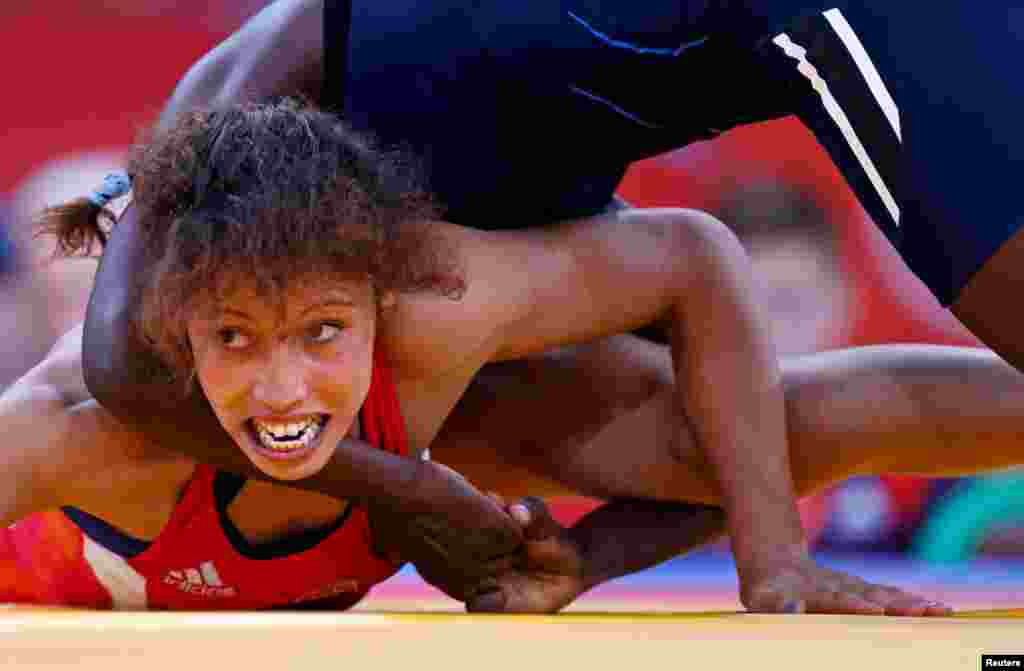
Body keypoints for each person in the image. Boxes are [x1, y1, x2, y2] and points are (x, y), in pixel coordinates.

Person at [82, 0, 1024, 611]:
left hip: (759, 37)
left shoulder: (437, 290)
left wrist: (410, 491)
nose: (282, 397)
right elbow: (748, 444)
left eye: (296, 337)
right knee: (744, 438)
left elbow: (113, 362)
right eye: (244, 341)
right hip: (521, 162)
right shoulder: (461, 337)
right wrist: (589, 556)